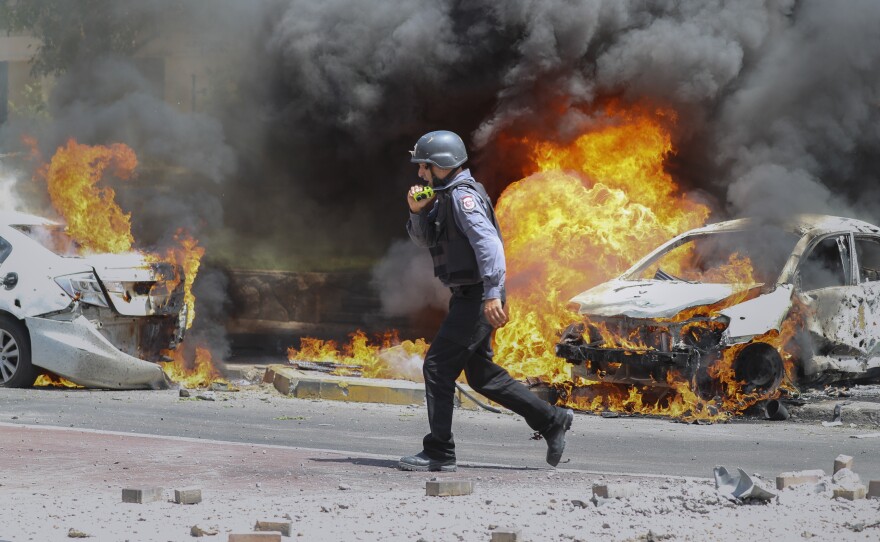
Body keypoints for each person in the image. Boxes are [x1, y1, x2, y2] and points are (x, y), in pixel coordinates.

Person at [400, 130, 573, 472]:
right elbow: (425, 240)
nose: (420, 173)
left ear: (442, 165)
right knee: (482, 376)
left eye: (425, 166)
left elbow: (490, 245)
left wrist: (493, 293)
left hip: (479, 296)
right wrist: (417, 212)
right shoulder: (445, 195)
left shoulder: (463, 198)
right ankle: (551, 420)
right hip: (469, 295)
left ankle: (439, 452)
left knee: (437, 367)